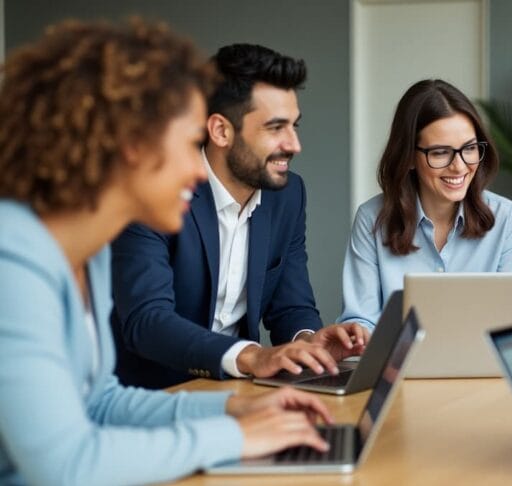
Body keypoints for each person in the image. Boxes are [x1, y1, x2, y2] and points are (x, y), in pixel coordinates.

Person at [0, 20, 333, 486]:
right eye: (187, 143)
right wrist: (234, 438)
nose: (197, 172)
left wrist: (239, 406)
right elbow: (66, 465)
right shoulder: (13, 261)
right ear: (131, 148)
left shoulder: (87, 254)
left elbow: (102, 402)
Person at [110, 43, 369, 389]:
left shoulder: (288, 195)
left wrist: (307, 339)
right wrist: (251, 356)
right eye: (275, 128)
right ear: (220, 131)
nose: (294, 144)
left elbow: (290, 304)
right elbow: (147, 321)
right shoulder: (157, 191)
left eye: (294, 125)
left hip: (237, 390)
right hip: (149, 396)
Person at [337, 79, 512, 329]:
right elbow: (360, 319)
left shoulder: (505, 217)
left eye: (469, 148)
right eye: (439, 153)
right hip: (399, 367)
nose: (459, 166)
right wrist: (357, 335)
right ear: (409, 158)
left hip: (483, 367)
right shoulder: (372, 219)